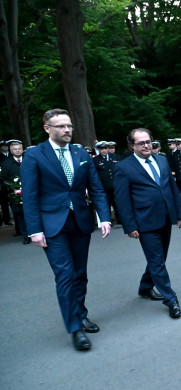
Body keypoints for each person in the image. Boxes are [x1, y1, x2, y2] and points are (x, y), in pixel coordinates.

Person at [21, 108, 111, 351]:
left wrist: (104, 216)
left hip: (80, 221)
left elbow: (97, 188)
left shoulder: (81, 153)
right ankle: (74, 329)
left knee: (80, 273)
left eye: (69, 125)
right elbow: (29, 196)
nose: (67, 129)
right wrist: (34, 230)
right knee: (65, 275)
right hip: (52, 224)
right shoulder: (35, 155)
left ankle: (81, 313)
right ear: (47, 128)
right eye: (61, 126)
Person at [114, 128, 181, 319]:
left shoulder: (161, 160)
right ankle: (171, 300)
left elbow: (171, 187)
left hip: (165, 218)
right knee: (156, 260)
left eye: (148, 142)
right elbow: (122, 200)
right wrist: (130, 226)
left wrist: (180, 213)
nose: (146, 145)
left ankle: (145, 287)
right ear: (132, 146)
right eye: (141, 143)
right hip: (144, 222)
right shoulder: (124, 167)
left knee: (159, 258)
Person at [0, 140, 29, 243]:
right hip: (16, 193)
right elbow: (3, 179)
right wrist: (13, 185)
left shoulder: (29, 159)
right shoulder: (6, 163)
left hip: (30, 191)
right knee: (20, 214)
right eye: (15, 149)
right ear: (11, 151)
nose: (17, 151)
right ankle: (25, 236)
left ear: (22, 149)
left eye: (19, 149)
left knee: (32, 212)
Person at [93, 141, 120, 224]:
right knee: (106, 204)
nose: (104, 150)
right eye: (102, 149)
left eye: (105, 148)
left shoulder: (115, 157)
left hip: (115, 185)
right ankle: (108, 221)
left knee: (118, 203)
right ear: (99, 150)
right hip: (104, 187)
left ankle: (120, 219)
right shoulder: (95, 160)